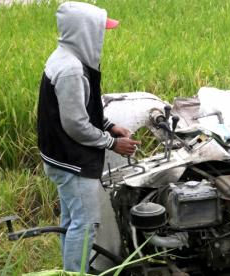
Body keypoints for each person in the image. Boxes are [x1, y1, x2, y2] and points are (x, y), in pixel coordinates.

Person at [37, 1, 140, 272]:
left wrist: (109, 125)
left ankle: (70, 269)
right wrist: (112, 143)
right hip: (72, 160)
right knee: (85, 224)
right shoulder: (71, 69)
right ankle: (76, 272)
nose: (102, 36)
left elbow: (80, 108)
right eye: (99, 30)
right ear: (83, 31)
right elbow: (76, 124)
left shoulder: (66, 58)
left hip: (61, 157)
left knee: (72, 220)